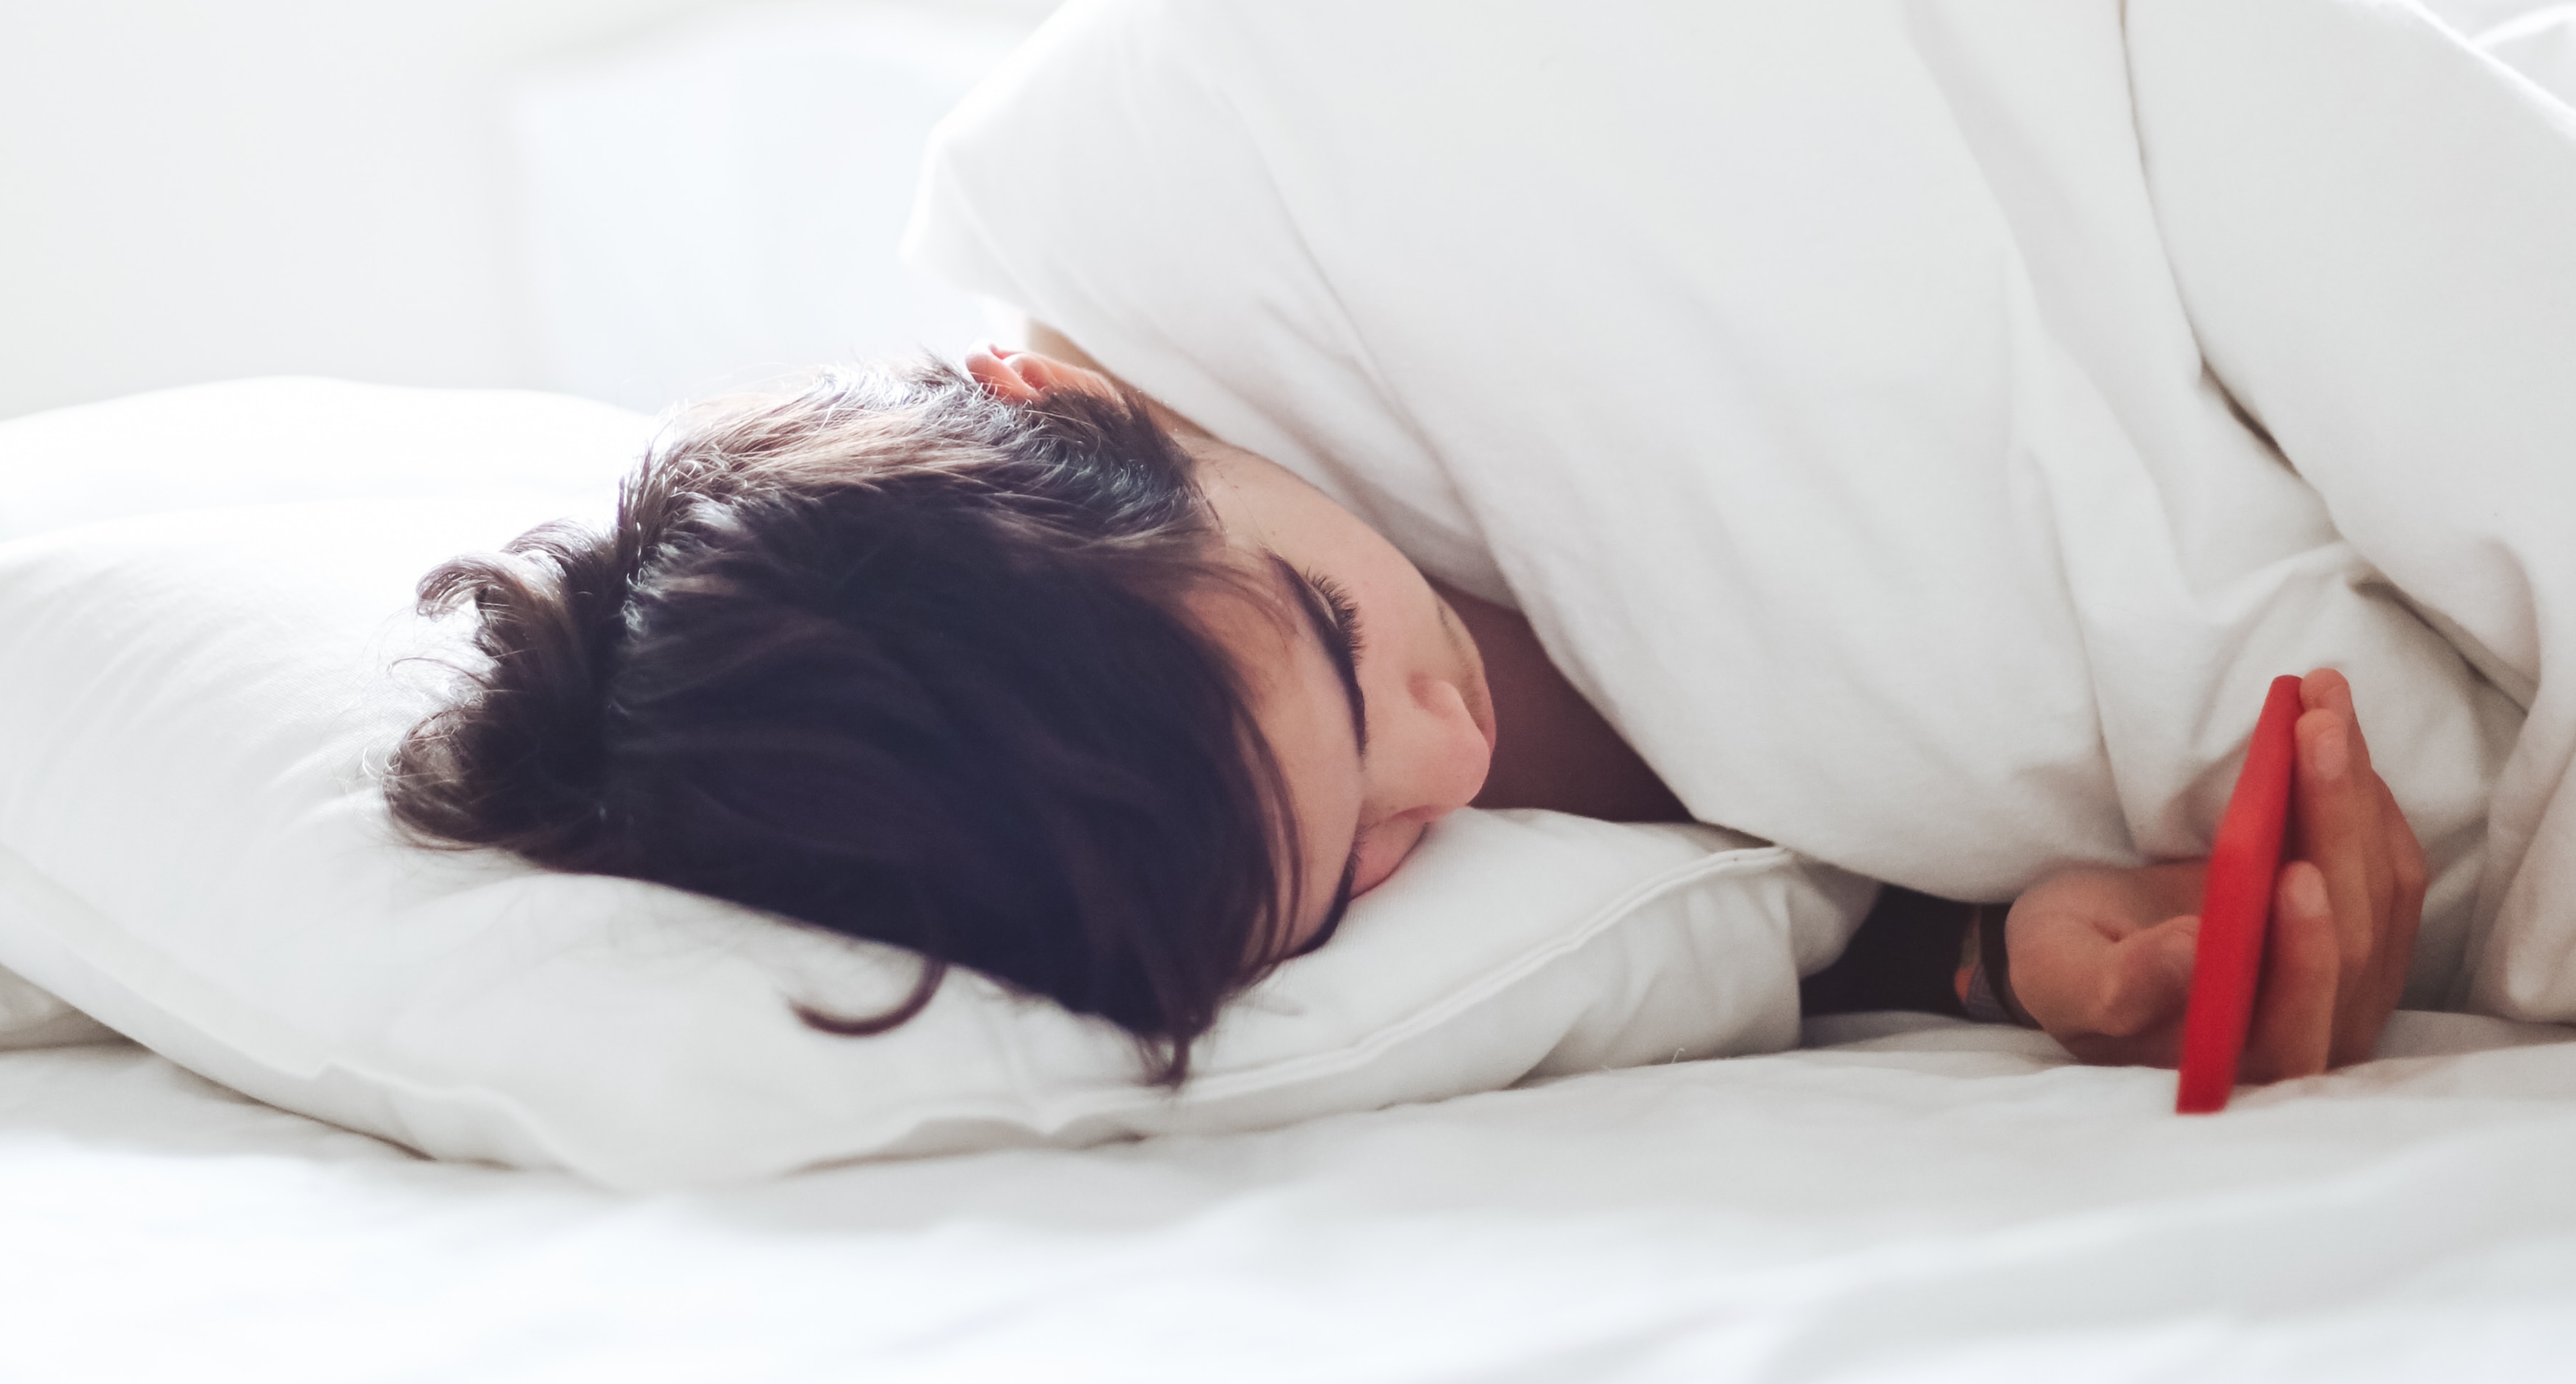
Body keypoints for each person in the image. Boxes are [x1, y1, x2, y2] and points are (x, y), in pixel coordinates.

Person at [385, 328, 2428, 1089]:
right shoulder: (1137, 797)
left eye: (1341, 648)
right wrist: (1982, 952)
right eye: (1360, 863)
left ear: (1067, 399)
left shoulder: (1292, 294)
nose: (1447, 768)